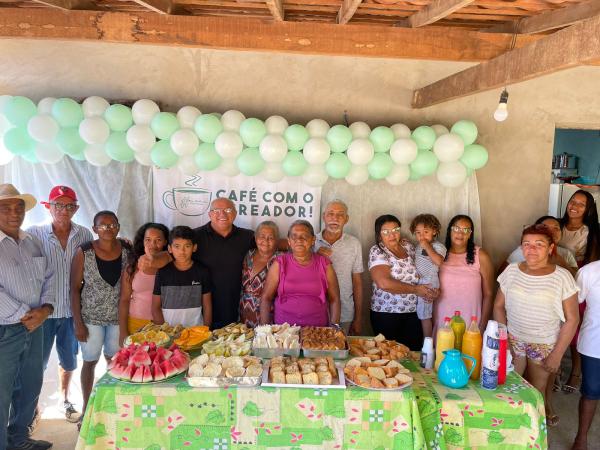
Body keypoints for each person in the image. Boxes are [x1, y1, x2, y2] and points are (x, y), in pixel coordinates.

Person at [494, 223, 579, 427]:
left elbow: (572, 319)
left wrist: (557, 355)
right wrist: (504, 340)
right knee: (509, 388)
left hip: (543, 344)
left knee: (535, 393)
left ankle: (535, 437)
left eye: (538, 244)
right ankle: (510, 432)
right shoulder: (512, 271)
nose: (531, 249)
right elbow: (498, 306)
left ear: (550, 248)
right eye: (526, 244)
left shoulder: (562, 277)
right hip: (514, 339)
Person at [26, 185, 92, 424]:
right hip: (43, 311)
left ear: (75, 209)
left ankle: (66, 398)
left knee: (69, 359)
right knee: (36, 363)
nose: (63, 210)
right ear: (49, 206)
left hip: (73, 311)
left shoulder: (84, 235)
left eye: (68, 205)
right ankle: (32, 408)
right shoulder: (33, 233)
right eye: (58, 205)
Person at [140, 198, 254, 329]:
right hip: (199, 313)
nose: (222, 214)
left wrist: (283, 242)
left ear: (235, 213)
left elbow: (268, 244)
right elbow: (171, 255)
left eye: (228, 210)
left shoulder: (247, 237)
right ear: (209, 214)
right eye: (217, 210)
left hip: (234, 309)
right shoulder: (196, 236)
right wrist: (152, 260)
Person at [0, 184, 55, 450]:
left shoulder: (31, 240)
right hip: (5, 329)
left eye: (19, 207)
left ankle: (19, 439)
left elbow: (50, 277)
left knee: (31, 385)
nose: (14, 213)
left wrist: (45, 310)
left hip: (36, 326)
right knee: (2, 392)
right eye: (6, 208)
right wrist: (26, 314)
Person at [71, 210, 130, 428]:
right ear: (94, 229)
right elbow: (74, 289)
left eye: (112, 224)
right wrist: (78, 322)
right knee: (89, 362)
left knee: (115, 363)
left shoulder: (127, 250)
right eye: (103, 225)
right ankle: (87, 408)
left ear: (118, 226)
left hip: (118, 319)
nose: (108, 228)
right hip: (91, 319)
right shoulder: (84, 252)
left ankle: (114, 408)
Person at [368, 214, 437, 350]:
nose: (392, 235)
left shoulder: (408, 246)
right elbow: (384, 283)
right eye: (386, 232)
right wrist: (417, 290)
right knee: (389, 356)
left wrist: (433, 289)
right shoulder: (377, 251)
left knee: (412, 354)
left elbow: (425, 269)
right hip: (387, 314)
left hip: (413, 312)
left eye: (395, 230)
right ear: (379, 234)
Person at [260, 220, 341, 327]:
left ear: (313, 240)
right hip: (284, 332)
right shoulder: (280, 263)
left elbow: (334, 299)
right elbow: (266, 298)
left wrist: (334, 328)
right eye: (294, 236)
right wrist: (265, 331)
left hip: (317, 331)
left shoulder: (324, 264)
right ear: (289, 241)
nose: (299, 240)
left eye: (304, 236)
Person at [559, 190, 600, 394]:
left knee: (575, 326)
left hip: (577, 281)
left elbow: (591, 265)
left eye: (581, 204)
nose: (574, 206)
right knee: (555, 324)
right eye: (572, 201)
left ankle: (575, 371)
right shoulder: (557, 225)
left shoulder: (591, 231)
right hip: (555, 279)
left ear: (589, 209)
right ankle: (555, 369)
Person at [433, 215, 494, 334]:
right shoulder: (439, 254)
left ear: (470, 233)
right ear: (450, 230)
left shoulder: (480, 255)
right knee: (442, 350)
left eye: (466, 230)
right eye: (456, 228)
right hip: (442, 319)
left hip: (471, 323)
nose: (460, 233)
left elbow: (489, 294)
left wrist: (482, 327)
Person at [314, 200, 364, 335]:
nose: (335, 218)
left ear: (346, 219)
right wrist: (313, 256)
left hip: (345, 312)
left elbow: (357, 283)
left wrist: (358, 318)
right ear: (324, 216)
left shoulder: (354, 244)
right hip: (313, 311)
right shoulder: (310, 242)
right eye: (330, 214)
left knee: (339, 351)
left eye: (340, 215)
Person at [118, 222, 169, 346]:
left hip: (164, 324)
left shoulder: (170, 263)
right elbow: (124, 300)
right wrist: (123, 331)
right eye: (148, 240)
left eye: (158, 240)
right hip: (136, 322)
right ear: (143, 241)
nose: (153, 244)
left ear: (165, 242)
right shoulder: (132, 266)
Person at [152, 226, 212, 328]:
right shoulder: (162, 272)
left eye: (187, 246)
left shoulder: (202, 271)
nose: (182, 251)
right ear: (170, 249)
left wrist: (206, 330)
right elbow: (155, 307)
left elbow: (207, 306)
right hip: (169, 334)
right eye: (177, 246)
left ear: (194, 247)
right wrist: (163, 332)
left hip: (196, 332)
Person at [572, 259, 600, 450]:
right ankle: (581, 439)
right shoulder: (589, 272)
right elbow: (572, 305)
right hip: (594, 344)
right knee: (590, 392)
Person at [409, 214, 446, 338]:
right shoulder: (419, 246)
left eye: (426, 232)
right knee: (420, 314)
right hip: (419, 282)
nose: (421, 236)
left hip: (429, 282)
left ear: (434, 231)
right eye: (418, 233)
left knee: (425, 316)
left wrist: (428, 247)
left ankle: (428, 345)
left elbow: (439, 261)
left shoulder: (438, 246)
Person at [504, 215, 577, 275]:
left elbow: (578, 280)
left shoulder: (566, 253)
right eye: (545, 228)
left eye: (556, 228)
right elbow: (502, 275)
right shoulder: (522, 251)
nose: (551, 232)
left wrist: (562, 262)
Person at [239, 221, 280, 327]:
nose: (266, 241)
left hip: (268, 313)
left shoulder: (280, 259)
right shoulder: (248, 254)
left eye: (271, 237)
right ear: (256, 238)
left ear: (276, 240)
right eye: (262, 236)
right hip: (243, 312)